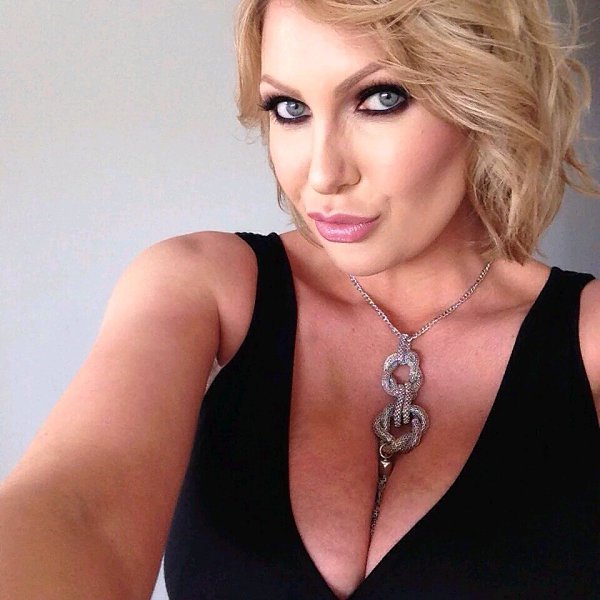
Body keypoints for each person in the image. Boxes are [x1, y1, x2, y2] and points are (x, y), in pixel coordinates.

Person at [0, 0, 598, 598]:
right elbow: (79, 510)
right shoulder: (203, 288)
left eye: (381, 98)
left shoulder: (588, 338)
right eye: (290, 109)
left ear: (485, 98)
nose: (322, 174)